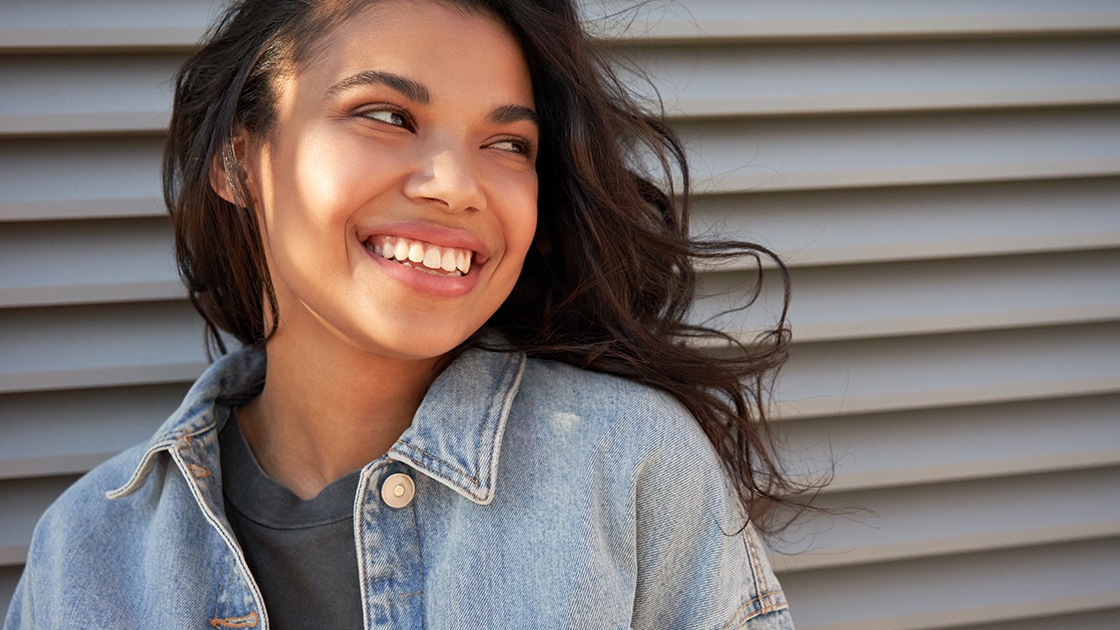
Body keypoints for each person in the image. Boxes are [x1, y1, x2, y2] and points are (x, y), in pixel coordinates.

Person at [5, 0, 804, 627]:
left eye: (509, 144)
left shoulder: (629, 469)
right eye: (387, 116)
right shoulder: (85, 550)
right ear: (238, 158)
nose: (456, 184)